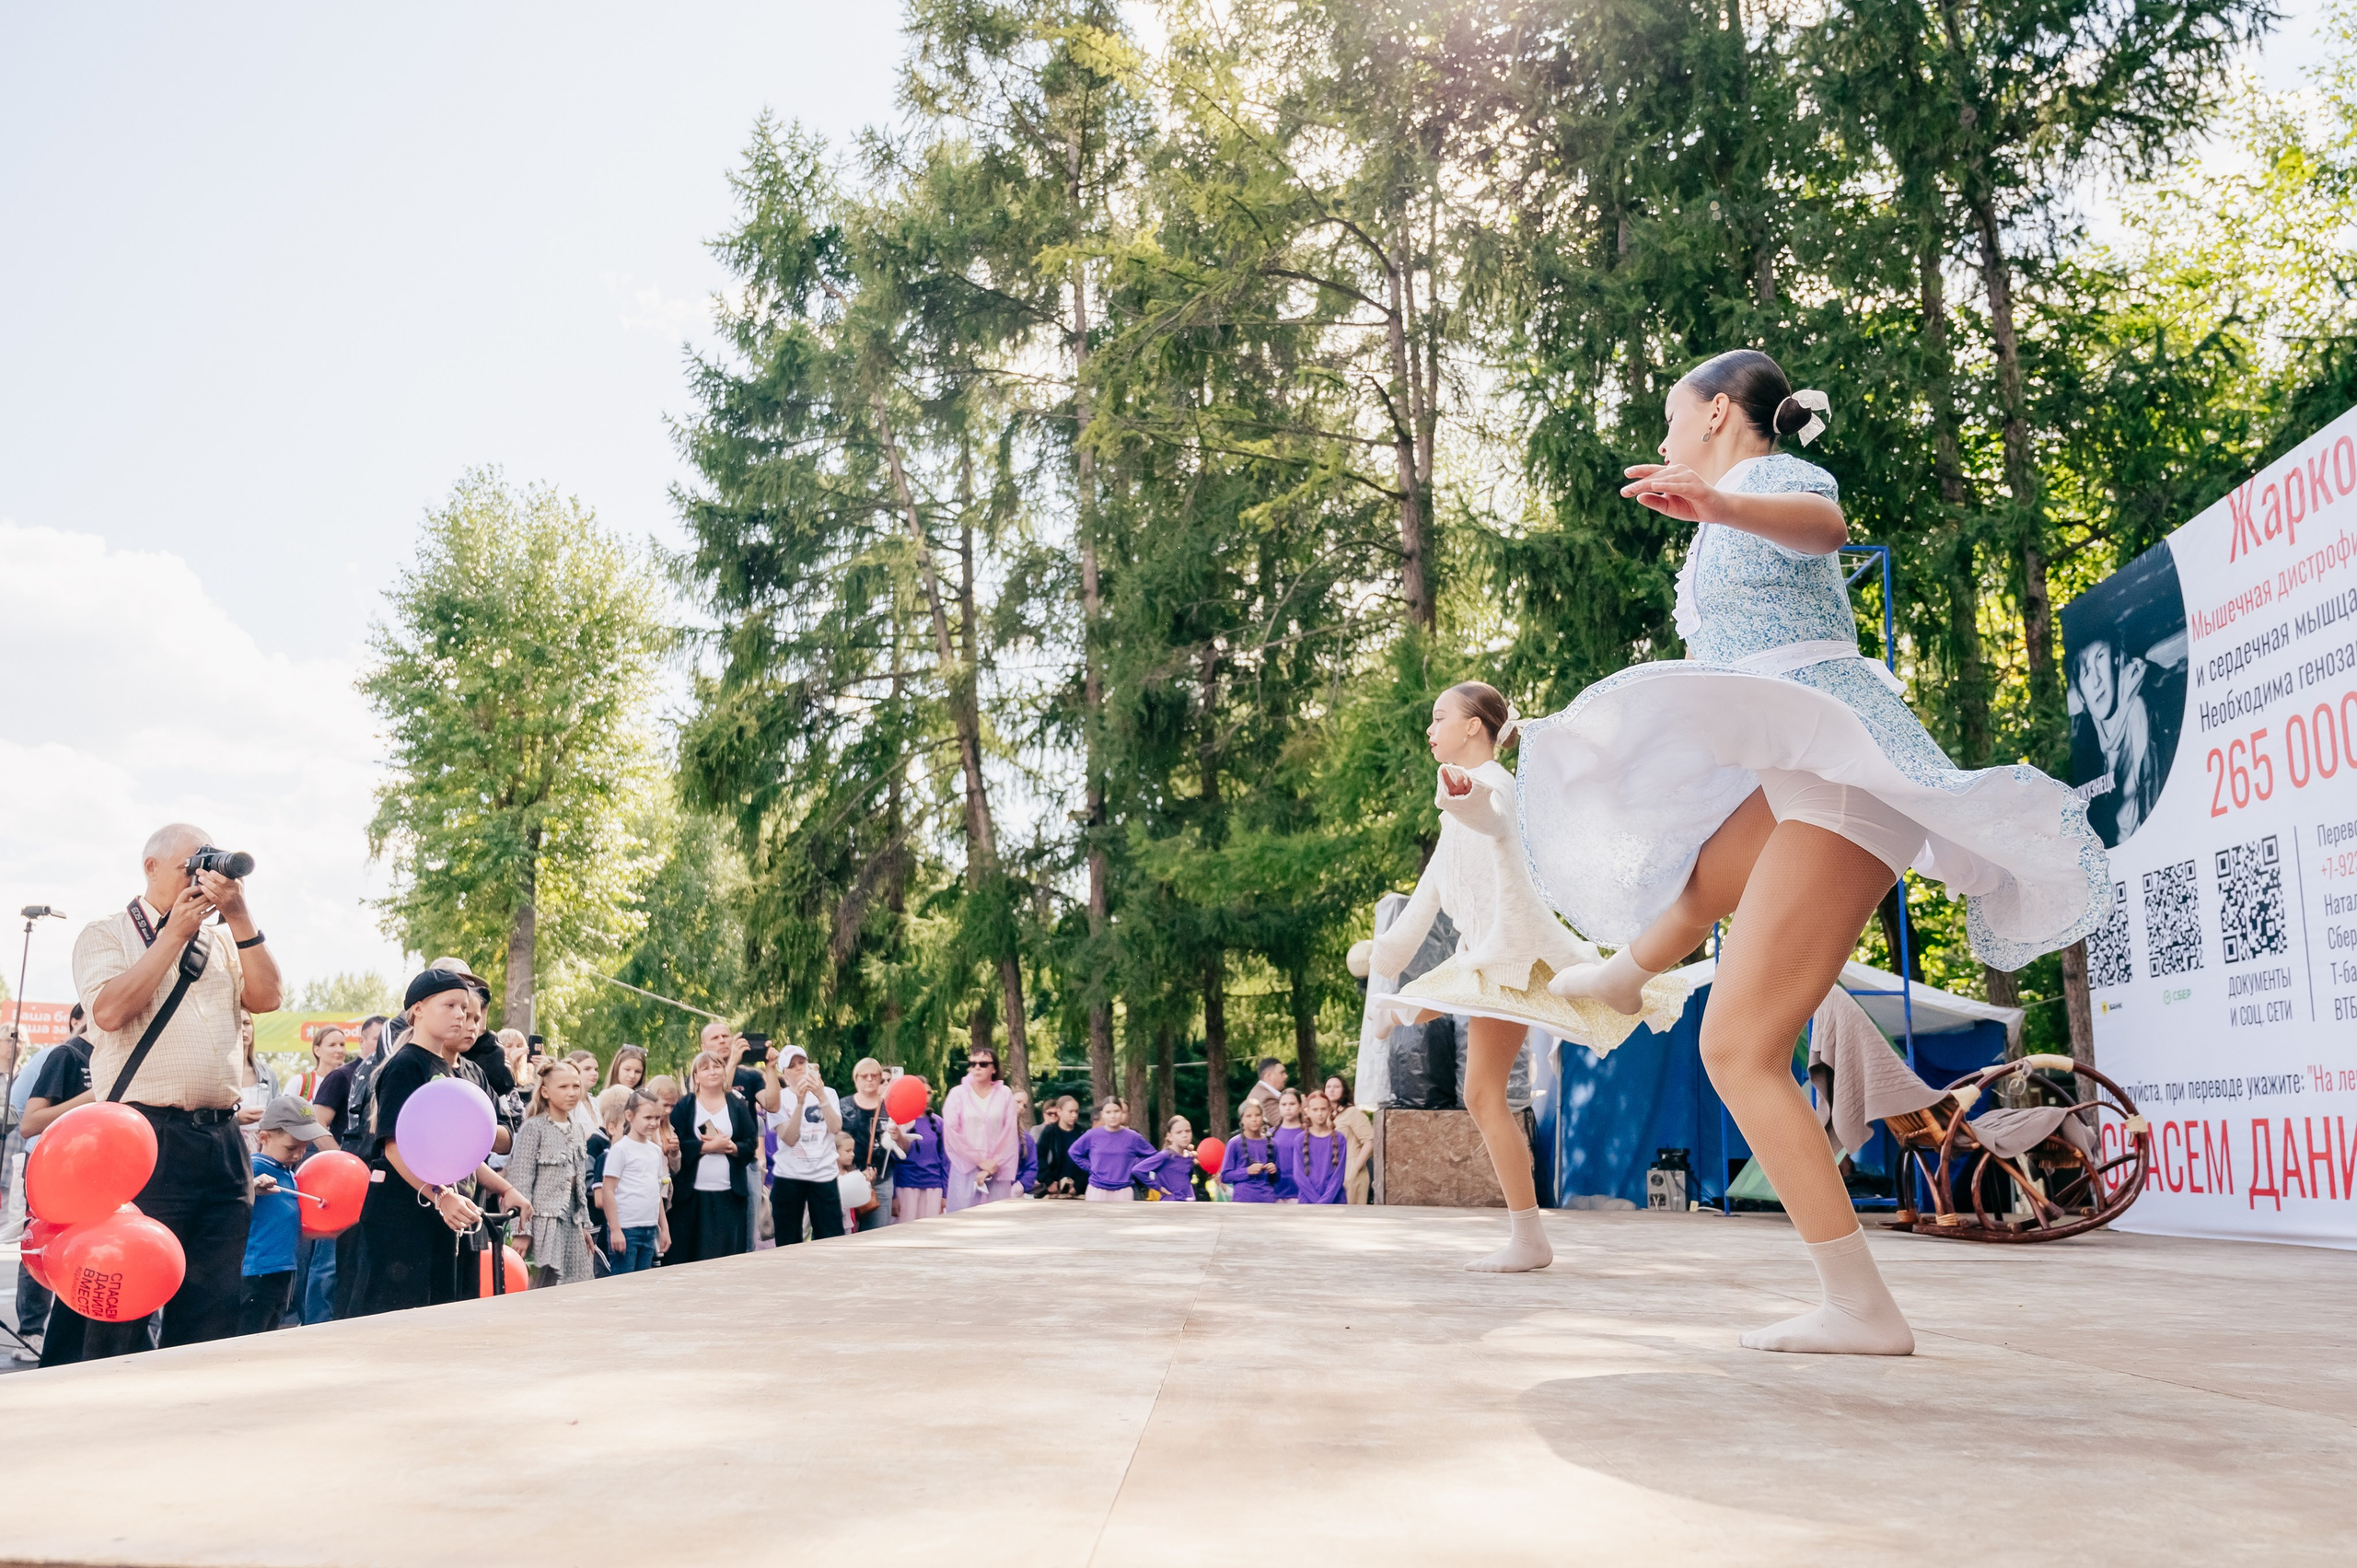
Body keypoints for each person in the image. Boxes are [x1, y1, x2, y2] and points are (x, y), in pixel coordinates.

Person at [1522, 349, 2107, 1354]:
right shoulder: (1722, 506)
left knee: (1736, 1048)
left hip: (1841, 765)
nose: (1664, 440)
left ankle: (1859, 1306)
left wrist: (1720, 501)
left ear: (1716, 413)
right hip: (1801, 763)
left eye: (1673, 417)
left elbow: (1826, 528)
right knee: (1707, 864)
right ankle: (1625, 973)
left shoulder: (1772, 477)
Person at [1367, 680, 1682, 1272]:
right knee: (1482, 1093)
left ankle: (1528, 1237)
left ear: (1472, 727)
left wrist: (1463, 798)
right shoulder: (1462, 800)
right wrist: (1383, 954)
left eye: (1440, 717)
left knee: (1480, 1091)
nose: (1430, 729)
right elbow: (1428, 896)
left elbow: (1488, 817)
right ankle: (1528, 1237)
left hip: (1512, 960)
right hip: (1487, 954)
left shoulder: (1495, 786)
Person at [72, 823, 286, 1355]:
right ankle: (111, 1415)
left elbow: (269, 998)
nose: (203, 876)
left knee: (214, 1299)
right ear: (151, 867)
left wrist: (238, 915)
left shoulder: (221, 940)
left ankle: (194, 1415)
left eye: (209, 865)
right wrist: (172, 934)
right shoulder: (107, 933)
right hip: (143, 1136)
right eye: (191, 864)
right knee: (127, 1292)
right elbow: (110, 1011)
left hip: (220, 1137)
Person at [349, 967, 529, 1316]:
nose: (461, 1015)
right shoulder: (405, 1065)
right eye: (450, 1005)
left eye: (465, 1008)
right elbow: (395, 1146)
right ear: (417, 1009)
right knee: (398, 1318)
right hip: (400, 1214)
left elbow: (456, 1151)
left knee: (440, 1315)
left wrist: (505, 1187)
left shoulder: (448, 1069)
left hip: (440, 1213)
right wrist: (440, 1194)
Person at [14, 1005, 92, 1362]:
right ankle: (34, 1330)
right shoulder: (67, 1054)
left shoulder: (136, 1058)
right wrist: (90, 1099)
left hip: (109, 1178)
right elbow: (27, 1121)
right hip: (60, 1173)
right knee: (52, 1251)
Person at [238, 1096, 331, 1333]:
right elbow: (232, 1189)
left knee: (271, 1329)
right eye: (291, 1147)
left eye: (305, 1146)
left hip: (284, 1269)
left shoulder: (289, 1172)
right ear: (264, 1138)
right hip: (257, 1272)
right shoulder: (255, 1166)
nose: (299, 1154)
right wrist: (251, 1185)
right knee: (250, 1332)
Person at [504, 1059, 597, 1287]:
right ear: (545, 1091)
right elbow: (520, 1182)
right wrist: (522, 1231)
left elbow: (579, 1184)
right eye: (563, 1087)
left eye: (576, 1086)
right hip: (542, 1227)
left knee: (577, 1286)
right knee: (540, 1287)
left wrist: (584, 1224)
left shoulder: (577, 1129)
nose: (572, 1093)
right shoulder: (533, 1128)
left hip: (572, 1228)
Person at [667, 1050, 758, 1262]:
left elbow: (751, 1140)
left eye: (717, 1066)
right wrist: (706, 1147)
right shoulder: (686, 1105)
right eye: (705, 1068)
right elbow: (677, 1139)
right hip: (691, 1196)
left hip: (728, 1193)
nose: (712, 1072)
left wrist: (733, 1148)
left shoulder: (736, 1104)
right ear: (696, 1076)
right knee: (690, 1254)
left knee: (726, 1255)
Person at [767, 1045, 845, 1243]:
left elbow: (836, 1128)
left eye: (802, 1062)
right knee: (788, 1240)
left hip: (823, 1173)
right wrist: (800, 1103)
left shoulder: (828, 1093)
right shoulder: (779, 1098)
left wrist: (820, 1096)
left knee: (831, 1237)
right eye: (792, 1066)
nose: (799, 1068)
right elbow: (789, 1138)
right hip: (789, 1174)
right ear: (783, 1073)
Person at [942, 1046, 1019, 1210]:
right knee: (963, 1218)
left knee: (997, 1218)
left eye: (983, 1064)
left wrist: (993, 1165)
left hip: (997, 1168)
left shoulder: (1005, 1094)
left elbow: (1009, 1133)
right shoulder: (957, 1094)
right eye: (973, 1063)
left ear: (994, 1068)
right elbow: (952, 1134)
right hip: (966, 1167)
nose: (977, 1067)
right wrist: (980, 1161)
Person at [600, 1091, 669, 1272]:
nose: (653, 1123)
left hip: (649, 1227)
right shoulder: (621, 1150)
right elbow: (608, 1190)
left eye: (657, 1117)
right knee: (624, 1283)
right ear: (629, 1116)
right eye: (647, 1117)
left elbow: (656, 1191)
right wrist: (615, 1229)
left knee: (642, 1283)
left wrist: (664, 1227)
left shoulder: (655, 1151)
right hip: (626, 1229)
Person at [837, 1058, 907, 1233]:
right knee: (844, 1234)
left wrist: (899, 1137)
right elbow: (833, 1144)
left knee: (877, 1235)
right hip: (847, 1179)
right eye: (864, 1076)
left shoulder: (891, 1107)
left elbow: (905, 1149)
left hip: (880, 1181)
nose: (869, 1079)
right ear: (856, 1079)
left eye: (874, 1075)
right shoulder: (842, 1106)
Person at [1070, 1097, 1156, 1202]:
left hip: (1123, 1190)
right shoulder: (1092, 1135)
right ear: (1102, 1114)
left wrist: (1134, 1167)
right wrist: (1091, 1166)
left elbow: (1153, 1156)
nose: (1113, 1115)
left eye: (1116, 1111)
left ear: (1122, 1112)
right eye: (1108, 1112)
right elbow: (1074, 1152)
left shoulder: (1133, 1137)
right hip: (1097, 1190)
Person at [891, 1085, 947, 1223]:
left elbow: (946, 1160)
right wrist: (893, 1196)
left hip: (933, 1185)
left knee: (930, 1230)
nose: (924, 1096)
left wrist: (945, 1193)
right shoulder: (900, 1121)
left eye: (928, 1092)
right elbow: (892, 1160)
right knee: (905, 1230)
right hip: (906, 1184)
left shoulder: (939, 1123)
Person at [1219, 1098, 1282, 1203]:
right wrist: (1247, 1171)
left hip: (1267, 1199)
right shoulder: (1234, 1143)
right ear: (1242, 1120)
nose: (1254, 1119)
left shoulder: (1272, 1143)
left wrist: (1274, 1171)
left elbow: (1277, 1178)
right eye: (1249, 1116)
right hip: (1243, 1199)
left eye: (1257, 1115)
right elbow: (1225, 1176)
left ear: (1263, 1117)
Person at [1294, 1091, 1349, 1205]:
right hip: (1308, 1202)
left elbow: (1338, 1176)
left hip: (1335, 1201)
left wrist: (1324, 1202)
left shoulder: (1340, 1138)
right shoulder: (1299, 1139)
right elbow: (1299, 1175)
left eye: (1323, 1109)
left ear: (1329, 1110)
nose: (1319, 1113)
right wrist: (1317, 1203)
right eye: (1315, 1109)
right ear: (1307, 1111)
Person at [1325, 1076, 1374, 1204]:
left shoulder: (1352, 1113)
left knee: (1351, 1216)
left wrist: (1355, 1168)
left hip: (1351, 1168)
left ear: (1344, 1090)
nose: (1331, 1090)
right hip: (1331, 1170)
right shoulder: (1325, 1116)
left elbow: (1369, 1141)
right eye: (1328, 1087)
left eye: (1336, 1087)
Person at [233, 1009, 275, 1149]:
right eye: (237, 1023)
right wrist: (235, 1118)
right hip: (228, 1146)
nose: (243, 1029)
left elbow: (277, 1116)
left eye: (247, 1023)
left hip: (261, 1148)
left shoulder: (267, 1075)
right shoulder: (216, 1072)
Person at [1136, 1116, 1199, 1201]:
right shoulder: (1165, 1155)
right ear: (1170, 1136)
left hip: (1187, 1202)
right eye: (1179, 1132)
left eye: (1188, 1131)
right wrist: (1158, 1187)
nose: (1184, 1135)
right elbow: (1138, 1170)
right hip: (1170, 1203)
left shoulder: (1189, 1156)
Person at [1034, 1095, 1085, 1197]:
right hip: (1053, 1189)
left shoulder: (1081, 1133)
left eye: (1076, 1111)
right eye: (1070, 1111)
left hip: (1076, 1191)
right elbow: (1039, 1156)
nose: (1074, 1115)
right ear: (1059, 1111)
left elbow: (1087, 1161)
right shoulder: (1050, 1131)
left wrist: (1078, 1186)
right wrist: (1049, 1181)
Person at [286, 1028, 345, 1103]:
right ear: (317, 1050)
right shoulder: (300, 1082)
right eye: (332, 1045)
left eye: (342, 1045)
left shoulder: (351, 1083)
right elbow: (283, 1112)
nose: (339, 1050)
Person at [1271, 1087, 1306, 1203]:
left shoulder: (1308, 1133)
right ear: (1279, 1107)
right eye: (1283, 1104)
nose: (1288, 1108)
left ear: (1300, 1107)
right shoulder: (1270, 1135)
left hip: (1301, 1193)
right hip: (1275, 1193)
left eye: (1292, 1104)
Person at [1241, 1057, 1286, 1127]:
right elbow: (1283, 1125)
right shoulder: (1266, 1098)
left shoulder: (1260, 1092)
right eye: (1282, 1073)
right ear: (1269, 1075)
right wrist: (1303, 1107)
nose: (1286, 1076)